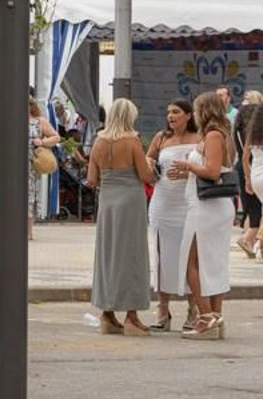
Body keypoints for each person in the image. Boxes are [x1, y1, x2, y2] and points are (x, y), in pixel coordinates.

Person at [172, 92, 236, 340]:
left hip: (206, 207)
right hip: (214, 206)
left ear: (204, 111)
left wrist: (188, 165)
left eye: (197, 110)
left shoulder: (212, 135)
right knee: (214, 263)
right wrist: (188, 172)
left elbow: (211, 171)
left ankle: (206, 317)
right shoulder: (221, 134)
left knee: (193, 262)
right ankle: (216, 317)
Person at [88, 99, 154, 335]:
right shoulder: (132, 141)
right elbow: (145, 175)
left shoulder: (99, 141)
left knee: (108, 254)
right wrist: (150, 164)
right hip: (131, 200)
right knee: (132, 253)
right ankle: (132, 316)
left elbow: (91, 179)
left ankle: (107, 313)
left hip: (107, 200)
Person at [147, 100, 199, 330]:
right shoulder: (161, 138)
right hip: (163, 201)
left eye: (176, 112)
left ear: (188, 115)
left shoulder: (200, 138)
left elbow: (211, 168)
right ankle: (163, 310)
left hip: (188, 203)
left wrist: (189, 173)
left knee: (190, 257)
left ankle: (193, 309)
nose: (171, 116)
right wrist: (150, 166)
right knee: (161, 256)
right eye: (168, 112)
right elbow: (147, 161)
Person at [25, 97, 61, 239]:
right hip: (16, 163)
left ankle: (29, 231)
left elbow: (56, 137)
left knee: (31, 196)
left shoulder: (40, 121)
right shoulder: (12, 120)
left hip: (33, 164)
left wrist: (42, 141)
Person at [234, 92, 263, 258]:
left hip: (254, 174)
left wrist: (247, 179)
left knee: (254, 210)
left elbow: (244, 158)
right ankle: (256, 241)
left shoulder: (252, 133)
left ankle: (254, 242)